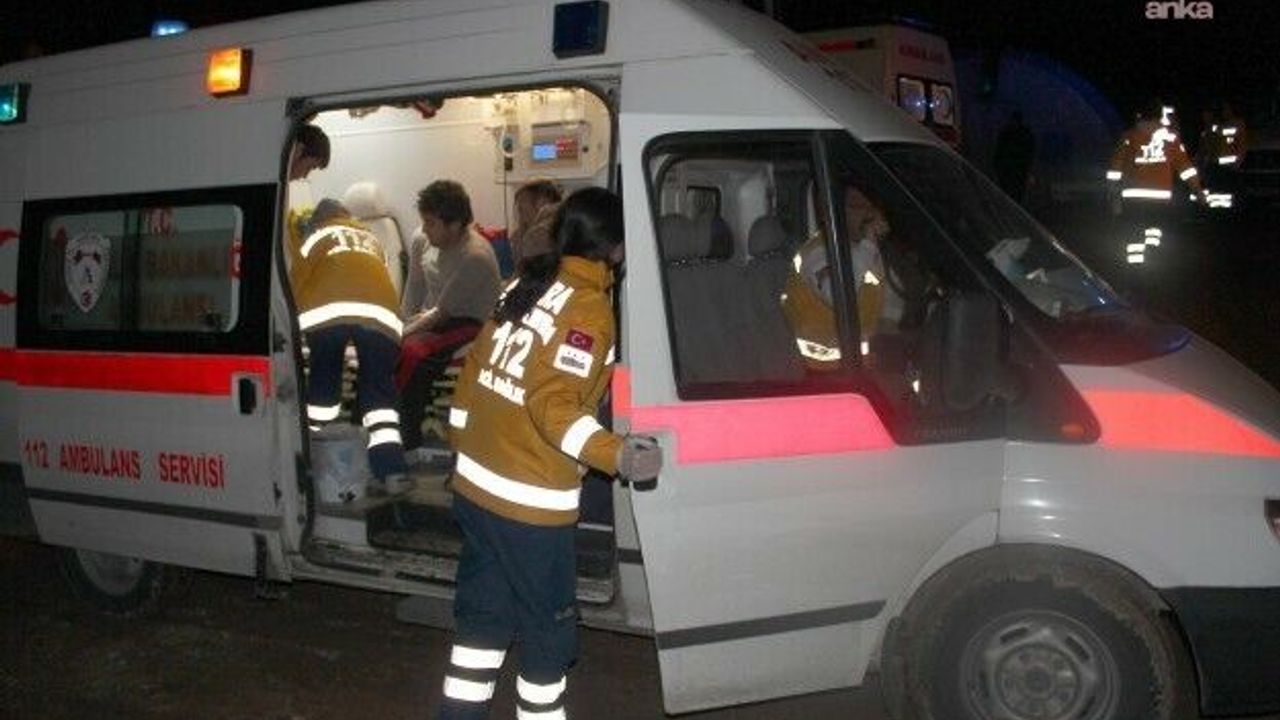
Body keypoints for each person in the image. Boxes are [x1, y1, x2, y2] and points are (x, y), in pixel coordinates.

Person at [437, 188, 662, 720]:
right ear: (617, 248)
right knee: (548, 633)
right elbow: (552, 404)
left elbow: (474, 373)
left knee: (483, 619)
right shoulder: (588, 309)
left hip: (476, 490)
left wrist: (464, 448)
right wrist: (617, 455)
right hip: (528, 506)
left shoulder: (528, 282)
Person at [291, 199, 409, 495]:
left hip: (327, 315)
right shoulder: (372, 238)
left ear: (318, 221)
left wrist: (292, 327)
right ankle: (391, 471)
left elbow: (294, 283)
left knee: (323, 386)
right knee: (379, 396)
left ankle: (313, 458)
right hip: (382, 317)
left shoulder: (315, 237)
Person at [398, 181, 502, 455]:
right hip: (434, 315)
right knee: (390, 345)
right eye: (424, 221)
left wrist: (403, 334)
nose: (424, 229)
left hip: (470, 321)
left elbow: (442, 313)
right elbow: (414, 286)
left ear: (454, 225)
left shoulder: (474, 256)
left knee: (414, 354)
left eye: (431, 223)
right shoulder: (422, 240)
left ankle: (408, 440)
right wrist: (401, 322)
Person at [782, 185, 889, 370]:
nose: (867, 214)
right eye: (857, 206)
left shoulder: (858, 252)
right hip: (823, 372)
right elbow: (835, 293)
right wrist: (868, 243)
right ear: (832, 212)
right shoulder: (820, 252)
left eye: (870, 207)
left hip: (852, 366)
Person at [1106, 98, 1206, 269]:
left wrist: (1112, 191)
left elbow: (1116, 167)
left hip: (1133, 197)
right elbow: (1185, 167)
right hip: (1160, 197)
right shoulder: (1171, 138)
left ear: (1139, 115)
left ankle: (1135, 268)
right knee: (1155, 230)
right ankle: (1154, 264)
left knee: (1134, 233)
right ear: (1160, 116)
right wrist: (1197, 189)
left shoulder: (1129, 136)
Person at [510, 179, 563, 271]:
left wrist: (520, 245)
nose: (520, 217)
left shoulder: (539, 235)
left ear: (542, 203)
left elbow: (526, 275)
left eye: (522, 209)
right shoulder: (566, 224)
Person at [993, 110, 1036, 204]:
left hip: (1016, 171)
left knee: (1014, 196)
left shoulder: (1008, 134)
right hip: (1011, 171)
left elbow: (1030, 153)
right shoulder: (1009, 134)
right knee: (1013, 196)